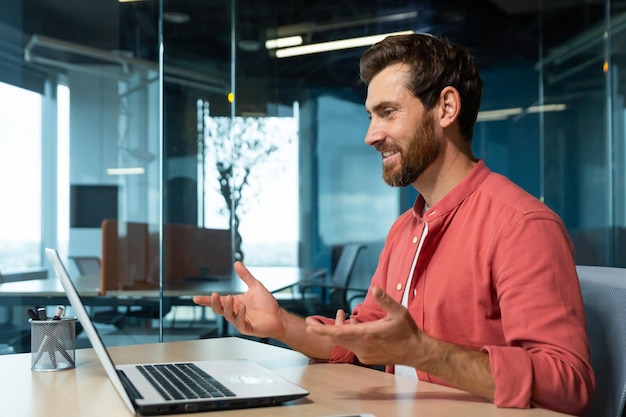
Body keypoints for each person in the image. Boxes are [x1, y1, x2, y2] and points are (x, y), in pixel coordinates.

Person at [193, 33, 595, 416]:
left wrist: (422, 351)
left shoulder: (521, 225)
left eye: (387, 112)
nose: (371, 135)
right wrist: (281, 324)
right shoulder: (405, 228)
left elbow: (568, 385)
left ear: (446, 109)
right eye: (371, 116)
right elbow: (360, 340)